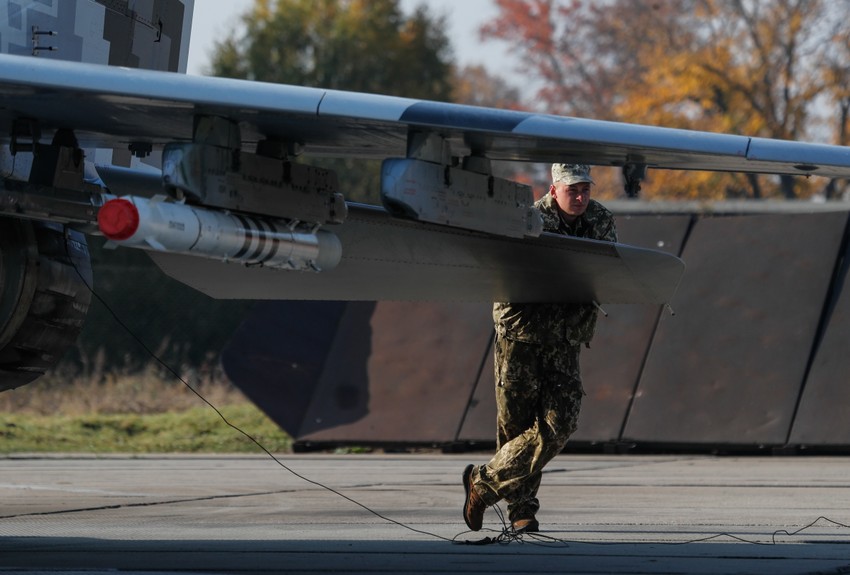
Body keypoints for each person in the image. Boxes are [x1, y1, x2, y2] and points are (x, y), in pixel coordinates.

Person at [462, 163, 618, 533]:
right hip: (522, 334)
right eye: (572, 190)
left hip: (565, 336)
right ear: (553, 189)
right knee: (516, 424)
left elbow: (606, 271)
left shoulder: (600, 220)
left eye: (585, 190)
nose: (580, 198)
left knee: (561, 421)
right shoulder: (530, 221)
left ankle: (482, 484)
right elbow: (508, 272)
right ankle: (522, 510)